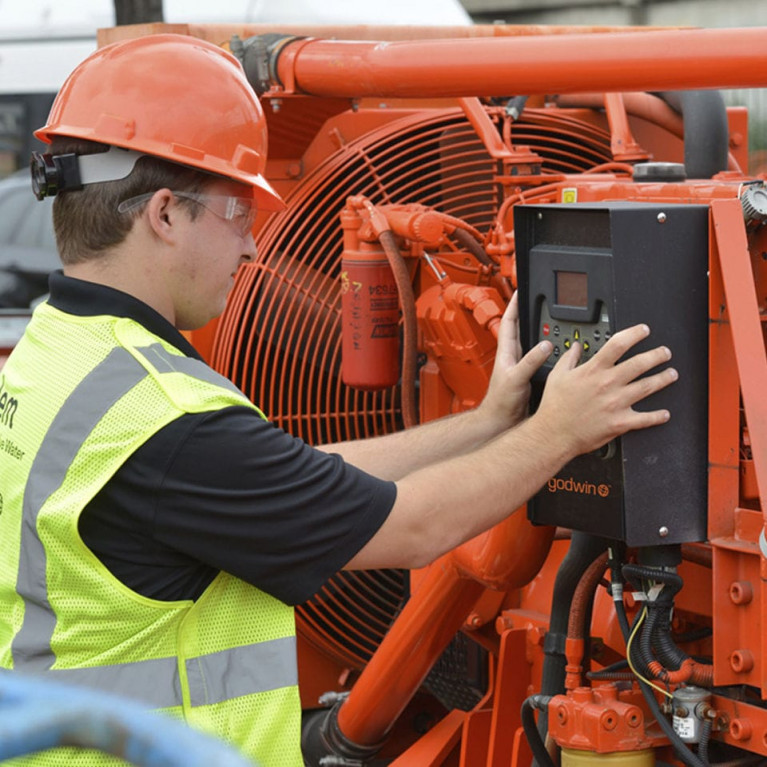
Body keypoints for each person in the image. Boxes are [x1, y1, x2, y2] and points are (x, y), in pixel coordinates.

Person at [0, 34, 677, 767]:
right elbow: (414, 526)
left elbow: (300, 474)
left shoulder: (60, 351)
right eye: (237, 214)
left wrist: (489, 422)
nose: (251, 247)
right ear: (164, 214)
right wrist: (562, 431)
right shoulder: (168, 424)